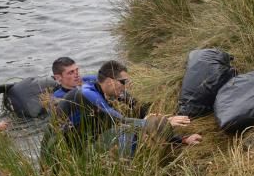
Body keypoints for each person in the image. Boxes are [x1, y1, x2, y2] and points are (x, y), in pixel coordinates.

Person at [51, 60, 200, 157]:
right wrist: (162, 122)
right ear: (110, 81)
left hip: (88, 131)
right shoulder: (86, 94)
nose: (76, 75)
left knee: (134, 123)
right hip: (68, 152)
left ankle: (164, 145)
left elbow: (133, 104)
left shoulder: (94, 83)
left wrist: (154, 118)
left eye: (77, 70)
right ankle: (129, 173)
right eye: (123, 82)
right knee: (126, 133)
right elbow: (119, 120)